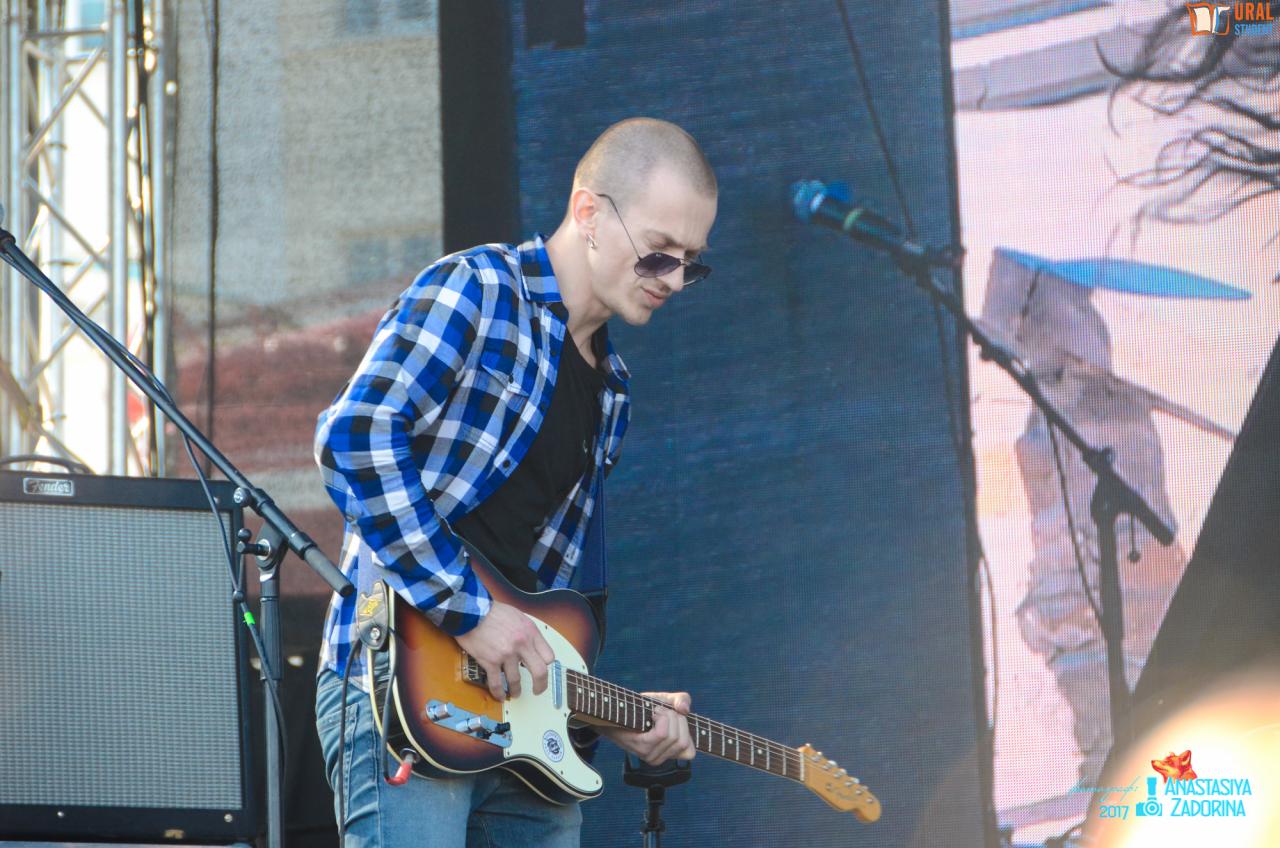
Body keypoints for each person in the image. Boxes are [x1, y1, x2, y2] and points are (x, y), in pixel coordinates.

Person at [313, 117, 718, 847]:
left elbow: (540, 601)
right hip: (401, 686)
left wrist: (609, 714)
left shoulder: (612, 388)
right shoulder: (477, 289)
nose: (673, 279)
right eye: (660, 252)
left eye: (691, 263)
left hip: (517, 721)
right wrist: (467, 612)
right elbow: (354, 440)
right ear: (589, 212)